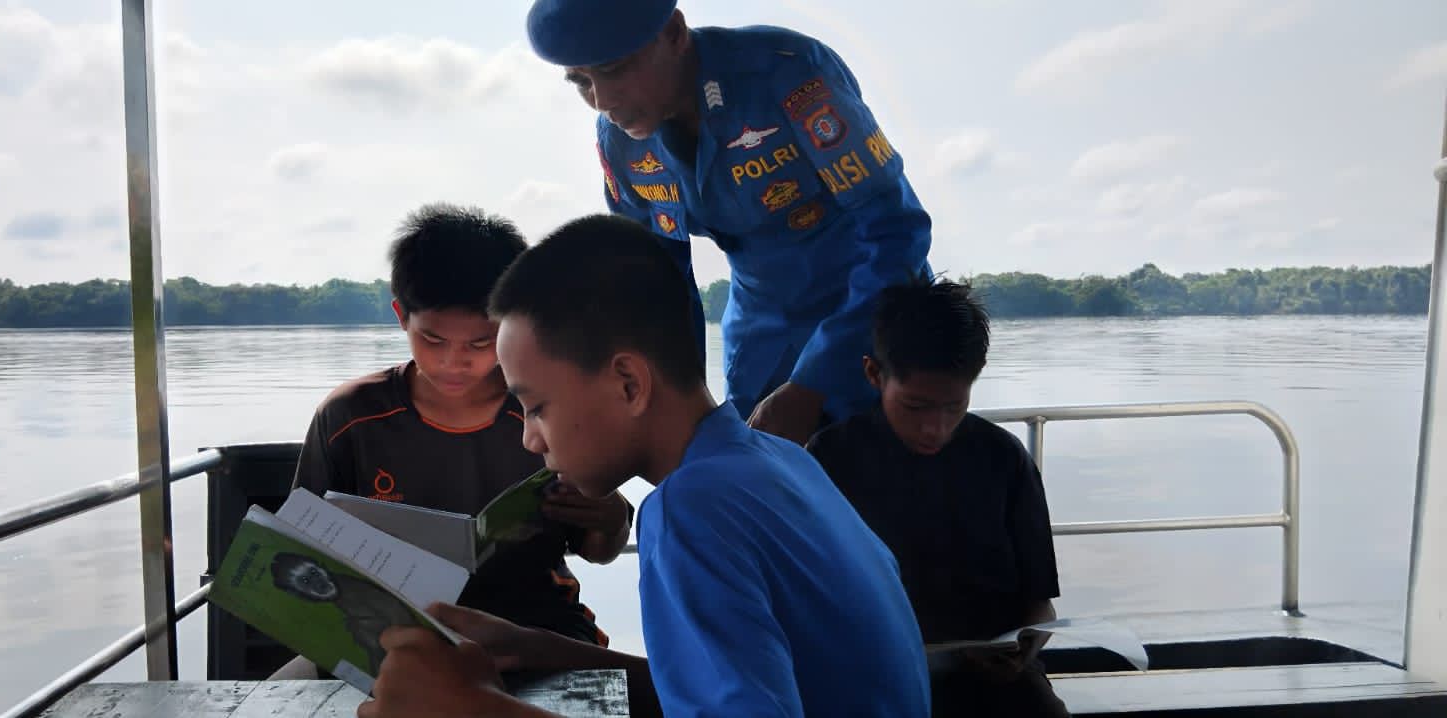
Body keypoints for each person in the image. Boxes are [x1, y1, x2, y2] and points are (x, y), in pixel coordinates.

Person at [356, 214, 931, 718]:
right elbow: (731, 686)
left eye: (536, 407)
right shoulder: (776, 461)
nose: (530, 438)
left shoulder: (692, 510)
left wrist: (477, 711)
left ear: (628, 384)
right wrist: (537, 647)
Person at [525, 0, 935, 445]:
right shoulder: (622, 143)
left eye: (615, 69)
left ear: (676, 33)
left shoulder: (789, 76)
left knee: (887, 487)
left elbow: (896, 232)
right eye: (581, 81)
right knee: (749, 478)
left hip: (877, 316)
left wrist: (817, 379)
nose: (602, 102)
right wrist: (676, 402)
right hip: (761, 335)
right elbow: (654, 285)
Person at [285, 204, 633, 673]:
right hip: (386, 634)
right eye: (432, 340)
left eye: (479, 343)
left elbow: (599, 551)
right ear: (400, 318)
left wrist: (611, 520)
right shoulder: (350, 417)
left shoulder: (553, 409)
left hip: (539, 631)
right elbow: (299, 550)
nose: (454, 362)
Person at [805, 277, 1070, 717]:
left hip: (994, 680)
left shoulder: (1003, 459)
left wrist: (1024, 649)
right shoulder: (830, 460)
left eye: (954, 406)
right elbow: (813, 606)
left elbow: (1039, 604)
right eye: (916, 407)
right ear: (874, 374)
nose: (935, 428)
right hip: (874, 679)